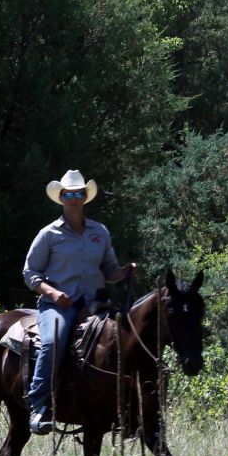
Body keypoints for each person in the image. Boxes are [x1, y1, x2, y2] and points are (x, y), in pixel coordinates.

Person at [22, 169, 136, 435]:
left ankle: (126, 406)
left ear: (85, 197)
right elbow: (30, 273)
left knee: (123, 340)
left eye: (79, 193)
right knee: (53, 342)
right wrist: (52, 293)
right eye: (69, 194)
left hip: (96, 304)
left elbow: (109, 271)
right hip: (59, 305)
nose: (74, 198)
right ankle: (39, 404)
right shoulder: (48, 234)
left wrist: (125, 270)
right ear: (61, 198)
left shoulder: (100, 232)